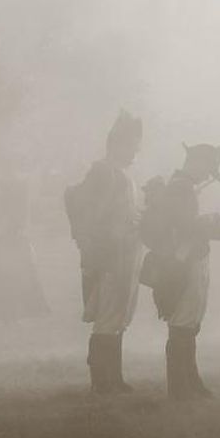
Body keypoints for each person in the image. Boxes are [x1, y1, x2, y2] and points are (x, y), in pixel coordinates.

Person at [143, 142, 220, 401]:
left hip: (189, 259)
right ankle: (179, 388)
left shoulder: (181, 186)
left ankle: (190, 381)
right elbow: (185, 227)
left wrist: (216, 226)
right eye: (207, 169)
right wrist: (215, 225)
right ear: (197, 162)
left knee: (189, 324)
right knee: (182, 324)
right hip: (184, 262)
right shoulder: (181, 188)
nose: (206, 175)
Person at [64, 110, 143, 394]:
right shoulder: (103, 172)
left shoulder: (123, 175)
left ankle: (114, 377)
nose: (136, 151)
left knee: (120, 315)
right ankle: (101, 381)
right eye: (132, 144)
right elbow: (92, 215)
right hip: (110, 257)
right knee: (108, 316)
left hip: (127, 254)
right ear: (118, 144)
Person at [0, 164, 49, 323]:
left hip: (11, 235)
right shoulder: (10, 188)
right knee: (8, 273)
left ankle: (11, 312)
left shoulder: (14, 188)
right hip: (8, 236)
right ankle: (9, 312)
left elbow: (14, 214)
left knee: (13, 272)